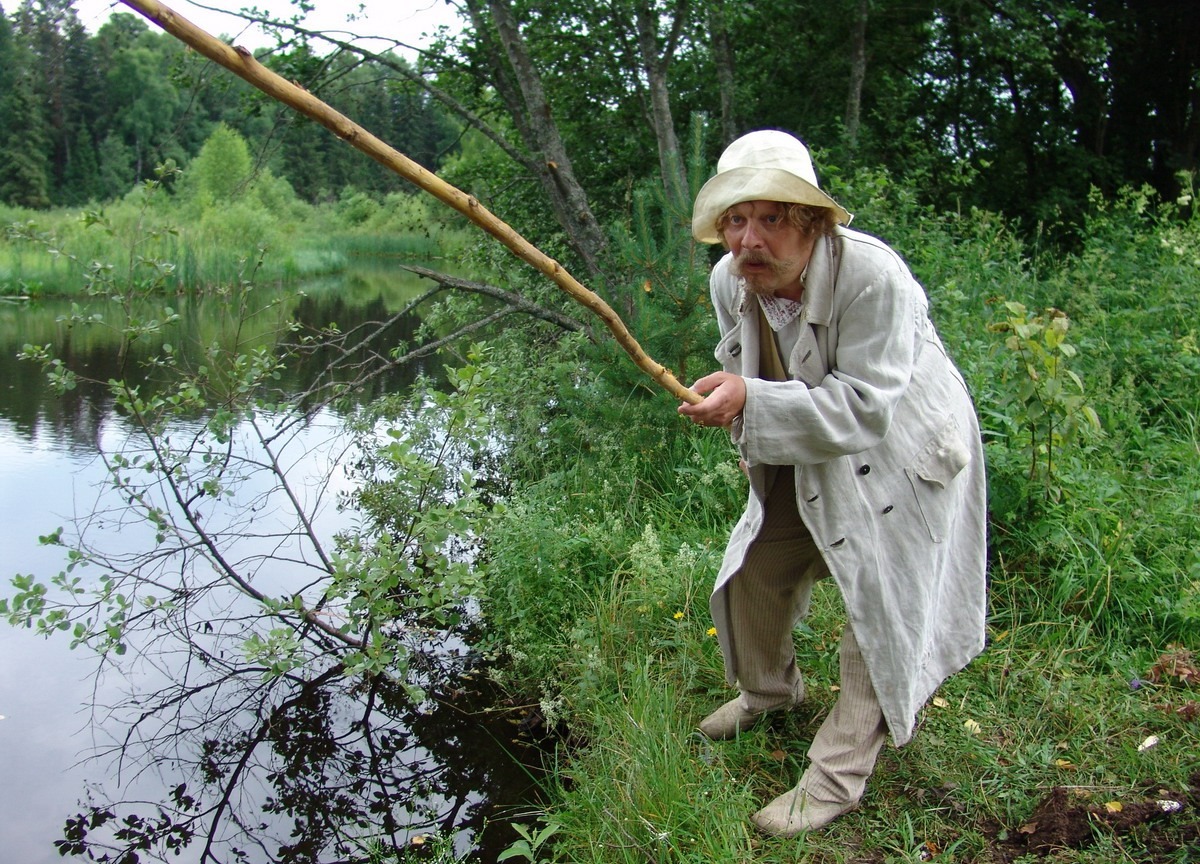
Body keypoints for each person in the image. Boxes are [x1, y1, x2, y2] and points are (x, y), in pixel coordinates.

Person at [678, 130, 987, 836]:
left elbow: (868, 406)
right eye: (734, 219)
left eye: (772, 217)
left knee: (879, 598)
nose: (749, 239)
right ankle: (769, 692)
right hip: (804, 434)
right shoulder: (731, 279)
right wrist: (740, 396)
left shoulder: (873, 276)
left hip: (906, 443)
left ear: (813, 222)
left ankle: (835, 779)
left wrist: (751, 401)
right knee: (758, 562)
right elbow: (758, 370)